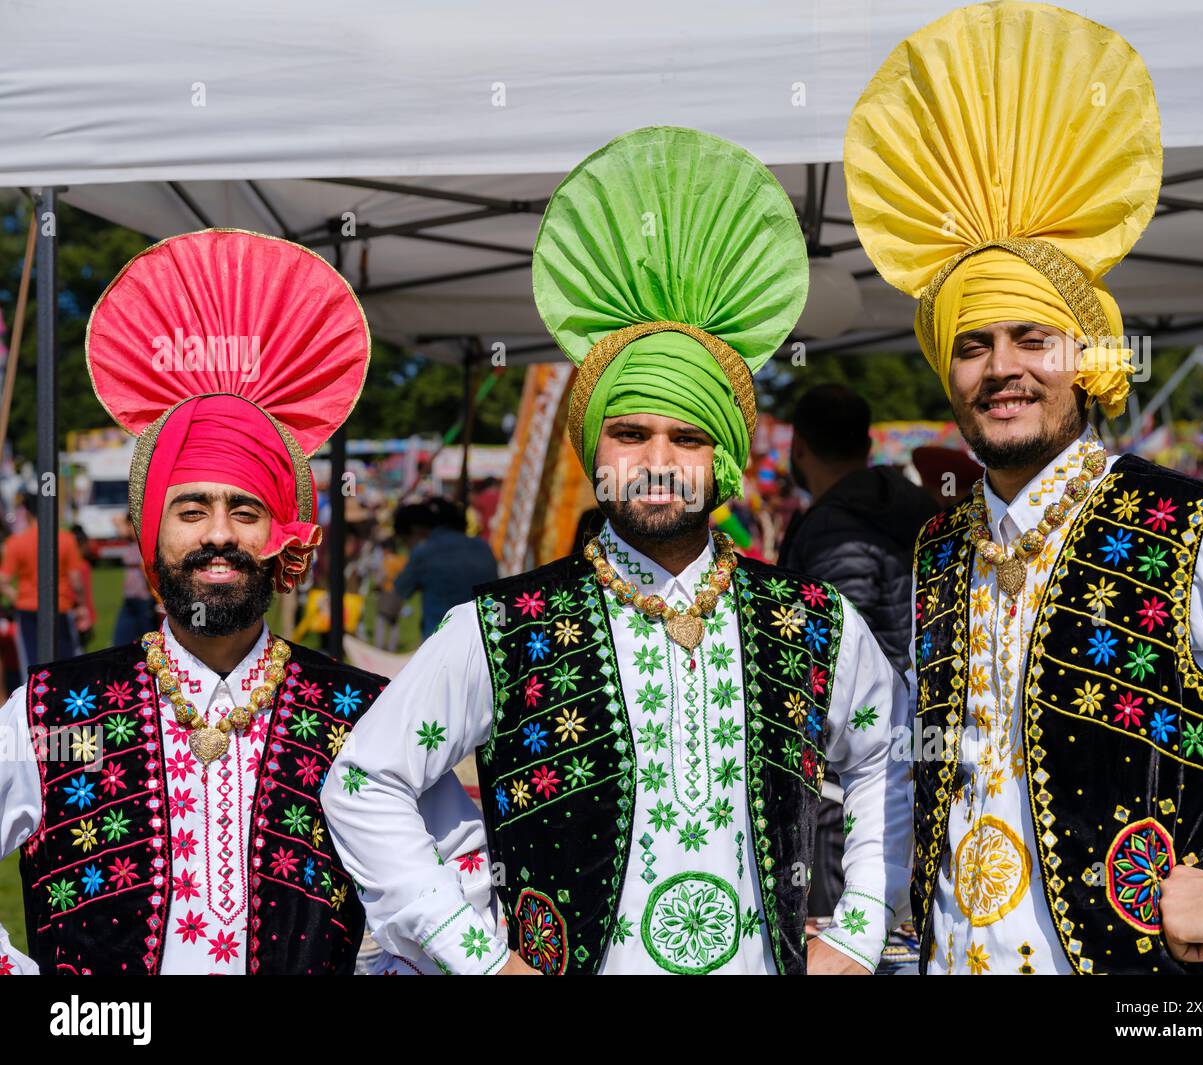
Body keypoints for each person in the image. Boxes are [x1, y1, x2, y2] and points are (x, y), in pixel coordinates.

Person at [323, 126, 912, 975]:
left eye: (688, 435)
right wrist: (479, 956)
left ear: (727, 462)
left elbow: (886, 758)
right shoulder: (504, 625)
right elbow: (365, 781)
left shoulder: (811, 620)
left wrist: (858, 929)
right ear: (596, 453)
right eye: (630, 433)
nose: (659, 462)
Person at [845, 0, 1203, 974]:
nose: (1000, 368)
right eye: (971, 344)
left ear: (1085, 357)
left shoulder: (1199, 532)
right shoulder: (935, 549)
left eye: (1030, 338)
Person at [0, 229, 477, 976]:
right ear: (147, 534)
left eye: (245, 511)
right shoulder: (58, 715)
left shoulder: (363, 716)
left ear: (281, 537)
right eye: (191, 510)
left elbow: (466, 875)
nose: (218, 536)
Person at [779, 384, 936, 921]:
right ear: (867, 442)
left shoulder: (829, 529)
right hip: (918, 745)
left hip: (848, 773)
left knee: (845, 927)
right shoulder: (915, 507)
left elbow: (827, 659)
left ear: (799, 447)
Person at [0, 493, 86, 670]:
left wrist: (18, 597)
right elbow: (76, 581)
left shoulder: (16, 542)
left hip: (28, 609)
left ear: (28, 513)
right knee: (68, 664)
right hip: (60, 605)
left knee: (32, 665)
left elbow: (3, 580)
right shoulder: (66, 539)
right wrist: (81, 604)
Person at [392, 499, 498, 641]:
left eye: (405, 542)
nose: (407, 548)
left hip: (444, 644)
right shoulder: (483, 547)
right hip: (488, 640)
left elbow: (393, 601)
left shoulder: (425, 552)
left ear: (417, 531)